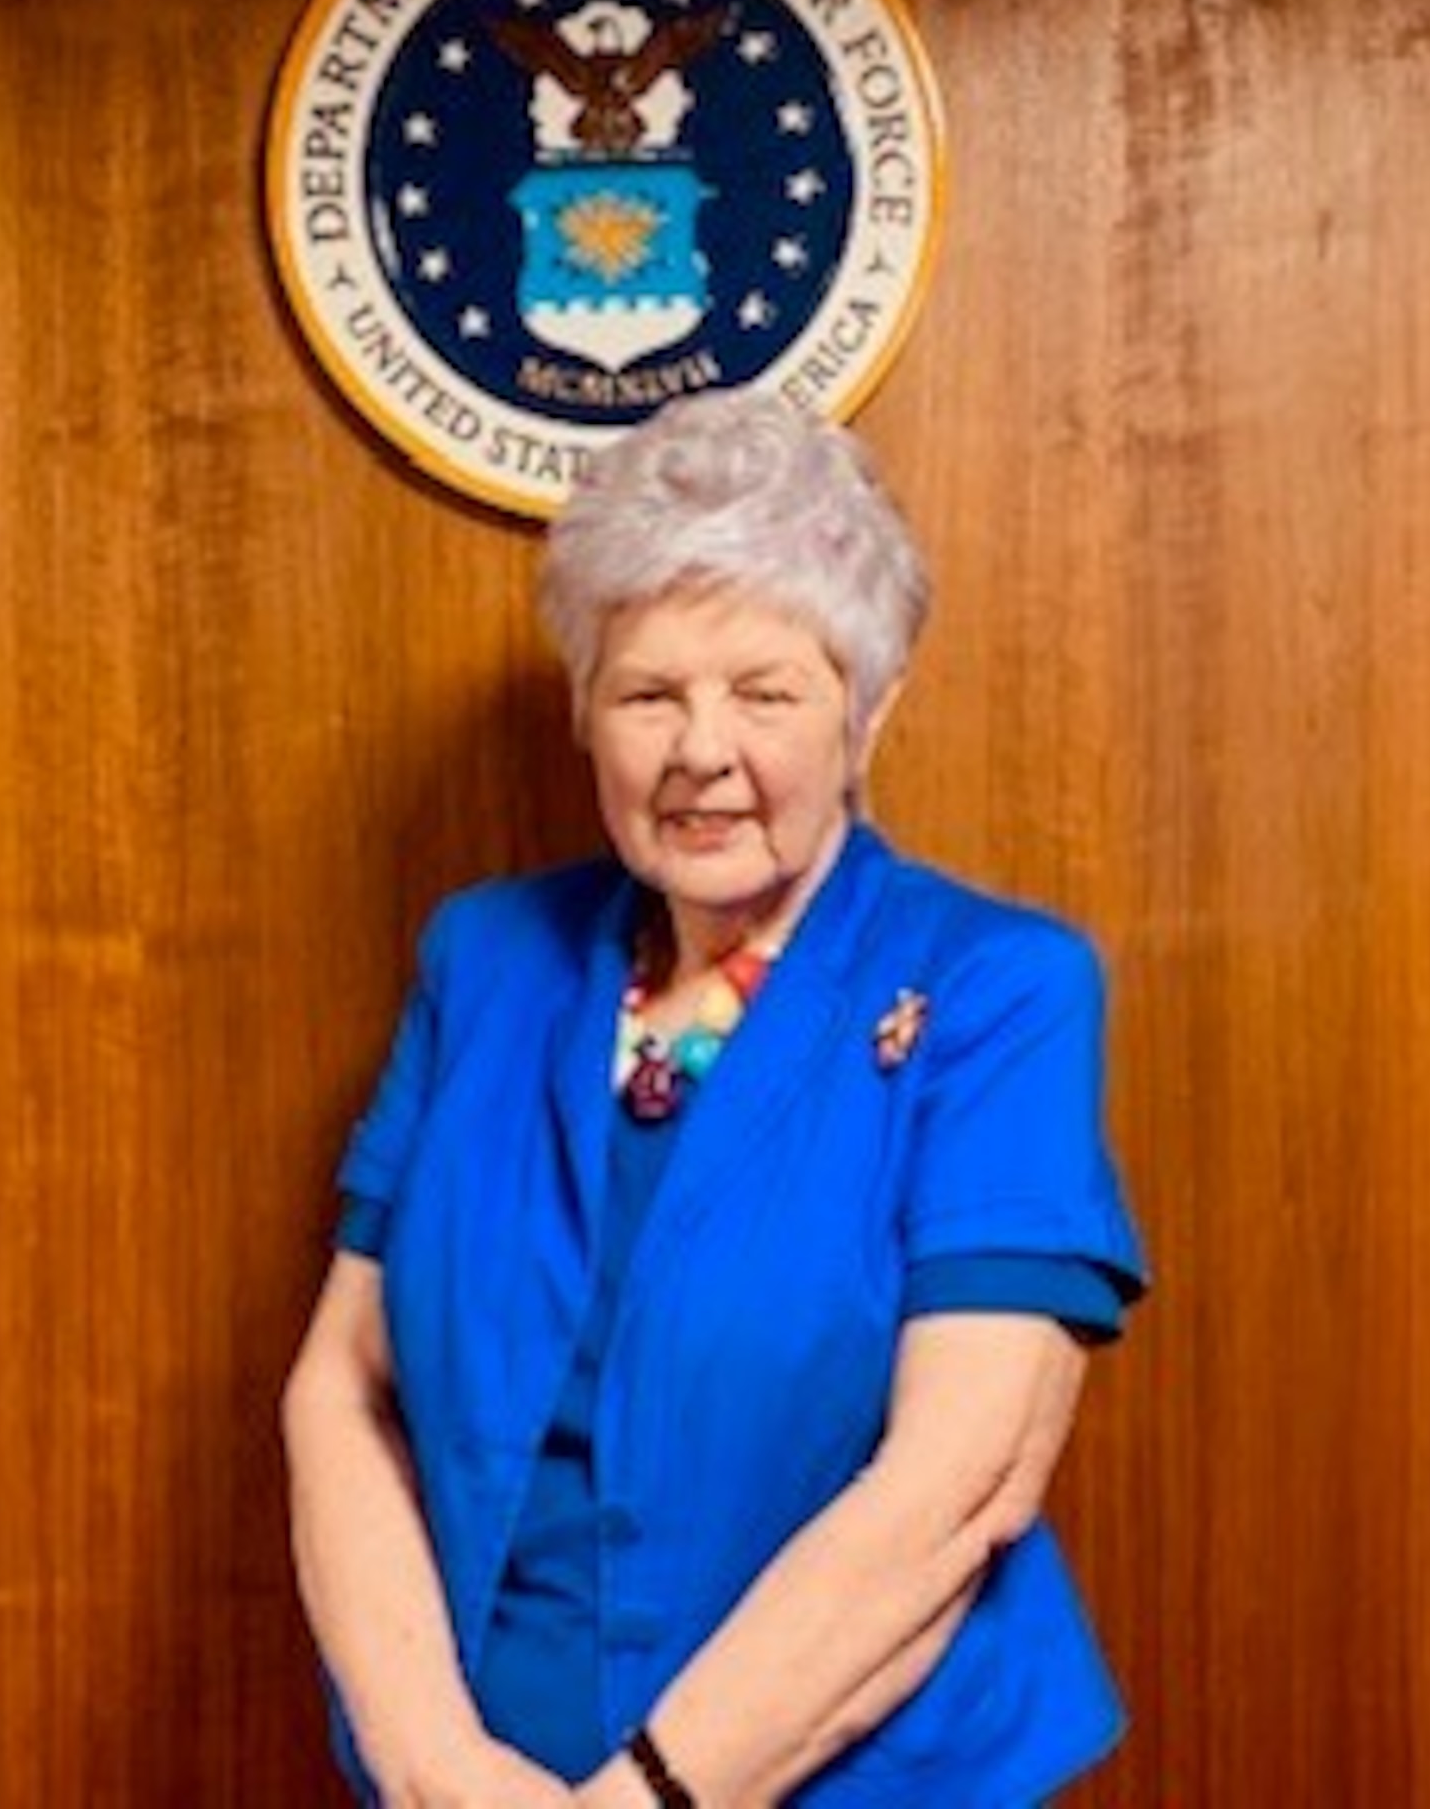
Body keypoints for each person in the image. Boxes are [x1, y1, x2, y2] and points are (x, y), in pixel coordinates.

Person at [281, 388, 1148, 1808]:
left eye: (764, 690)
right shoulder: (484, 958)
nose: (700, 748)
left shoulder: (999, 989)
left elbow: (950, 1488)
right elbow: (339, 1387)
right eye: (646, 693)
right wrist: (436, 1767)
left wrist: (645, 1802)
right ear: (583, 713)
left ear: (865, 713)